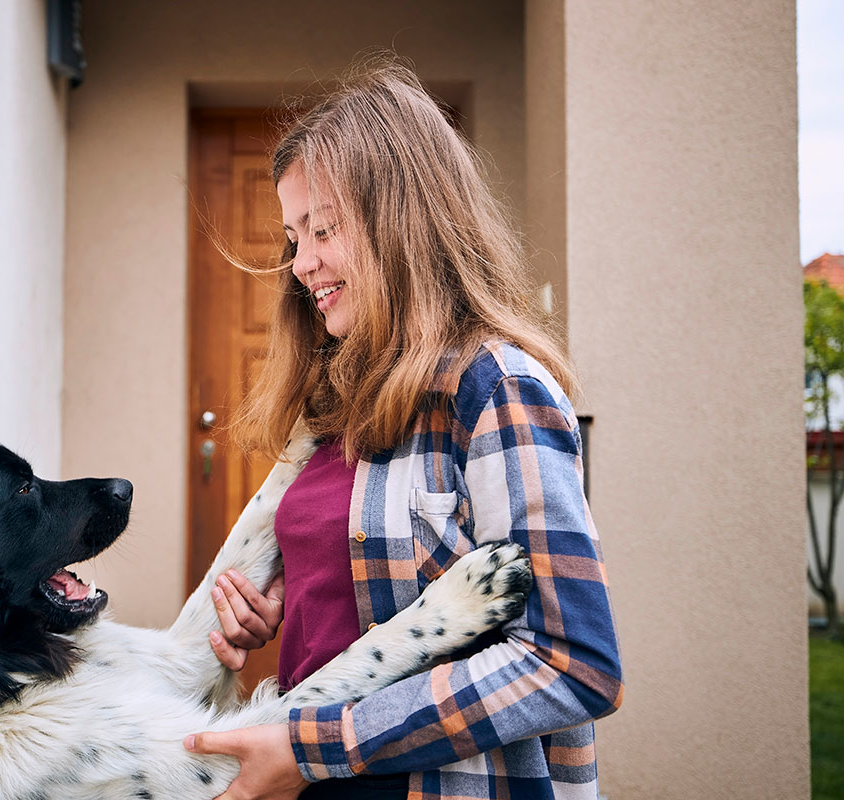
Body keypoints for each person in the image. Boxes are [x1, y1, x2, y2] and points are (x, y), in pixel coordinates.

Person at [183, 58, 623, 800]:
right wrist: (285, 599)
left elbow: (572, 662)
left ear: (404, 223)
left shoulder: (496, 389)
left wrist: (318, 748)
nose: (301, 264)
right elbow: (366, 578)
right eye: (293, 237)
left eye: (324, 230)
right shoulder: (338, 400)